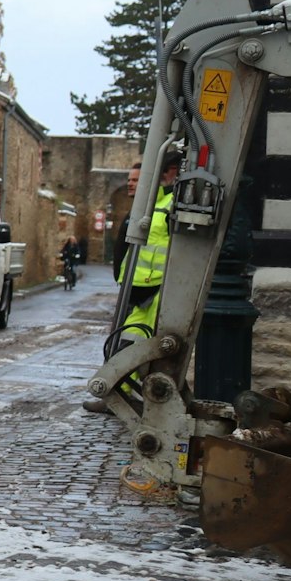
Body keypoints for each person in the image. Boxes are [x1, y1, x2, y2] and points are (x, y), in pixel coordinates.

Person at [87, 149, 182, 414]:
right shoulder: (151, 205)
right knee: (126, 341)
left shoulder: (169, 204)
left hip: (156, 288)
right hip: (138, 287)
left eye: (137, 179)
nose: (132, 184)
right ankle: (119, 394)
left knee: (136, 343)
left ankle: (123, 395)